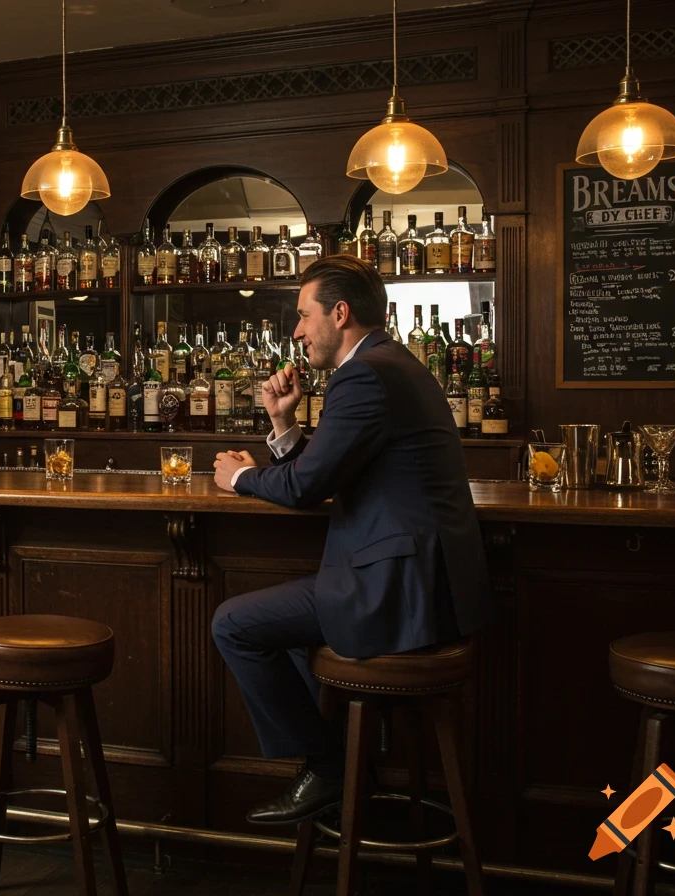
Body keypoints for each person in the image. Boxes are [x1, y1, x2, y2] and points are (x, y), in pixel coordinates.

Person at [210, 255, 493, 826]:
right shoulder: (390, 365)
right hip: (423, 581)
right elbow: (326, 474)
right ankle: (336, 767)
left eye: (301, 316)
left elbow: (307, 484)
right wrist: (284, 424)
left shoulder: (363, 375)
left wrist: (238, 477)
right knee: (287, 633)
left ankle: (330, 769)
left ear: (338, 314)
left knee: (234, 624)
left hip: (403, 589)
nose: (295, 331)